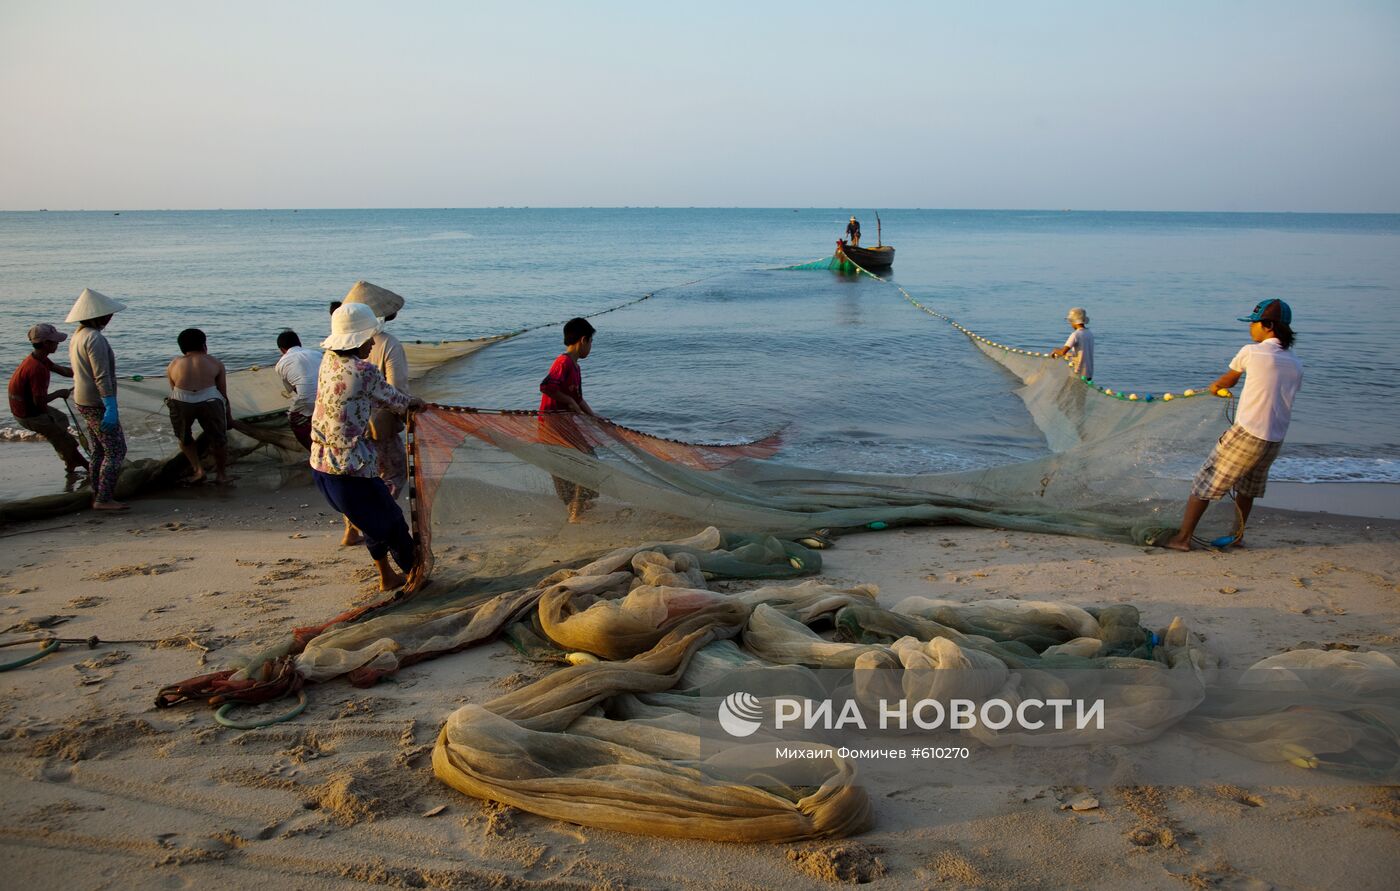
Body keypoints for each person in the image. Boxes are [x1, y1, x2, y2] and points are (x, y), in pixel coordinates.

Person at [1165, 299, 1302, 551]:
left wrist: (1214, 388)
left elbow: (1228, 380)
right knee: (1247, 488)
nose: (1251, 328)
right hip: (1274, 437)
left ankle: (1183, 539)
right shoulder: (1295, 362)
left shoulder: (1251, 351)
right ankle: (1237, 536)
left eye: (1254, 323)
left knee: (1205, 481)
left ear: (1268, 326)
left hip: (1248, 432)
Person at [311, 303, 425, 591]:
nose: (373, 342)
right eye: (369, 338)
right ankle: (417, 577)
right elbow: (398, 400)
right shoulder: (363, 370)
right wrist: (418, 404)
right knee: (392, 522)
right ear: (358, 340)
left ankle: (387, 577)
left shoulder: (328, 360)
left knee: (373, 521)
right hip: (349, 468)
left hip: (320, 462)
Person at [65, 288, 129, 511]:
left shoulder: (78, 335)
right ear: (97, 316)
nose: (110, 318)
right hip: (96, 402)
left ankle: (96, 490)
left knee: (98, 450)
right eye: (107, 315)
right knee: (116, 450)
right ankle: (103, 499)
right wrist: (110, 404)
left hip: (82, 399)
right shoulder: (94, 338)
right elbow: (100, 374)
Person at [539, 316, 598, 522]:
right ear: (583, 340)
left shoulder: (576, 367)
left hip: (565, 423)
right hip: (553, 424)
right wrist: (569, 403)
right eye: (591, 343)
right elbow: (547, 386)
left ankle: (577, 503)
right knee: (582, 460)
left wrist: (594, 416)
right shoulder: (563, 362)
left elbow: (578, 398)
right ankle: (574, 509)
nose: (590, 348)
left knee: (584, 459)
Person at [8, 323, 88, 475]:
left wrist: (85, 373)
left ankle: (69, 459)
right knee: (64, 439)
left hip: (26, 408)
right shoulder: (37, 369)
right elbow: (39, 402)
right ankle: (87, 466)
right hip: (29, 414)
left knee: (62, 419)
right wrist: (59, 393)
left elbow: (62, 370)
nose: (58, 343)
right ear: (46, 343)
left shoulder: (38, 358)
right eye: (55, 341)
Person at [166, 328, 233, 485]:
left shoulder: (174, 364)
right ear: (204, 345)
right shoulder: (215, 362)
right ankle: (221, 475)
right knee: (219, 439)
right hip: (209, 399)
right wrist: (228, 416)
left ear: (182, 347)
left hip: (181, 399)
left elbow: (173, 389)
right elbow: (223, 394)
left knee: (184, 437)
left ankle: (198, 469)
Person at [275, 330, 321, 450]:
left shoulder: (281, 364)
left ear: (281, 349)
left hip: (310, 401)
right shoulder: (317, 354)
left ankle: (313, 451)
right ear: (299, 343)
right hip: (330, 396)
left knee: (294, 418)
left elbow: (298, 391)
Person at [1050, 307, 1094, 380]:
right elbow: (1082, 352)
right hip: (1089, 373)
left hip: (1077, 372)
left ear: (1073, 321)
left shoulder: (1075, 334)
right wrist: (1069, 355)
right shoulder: (1089, 333)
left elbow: (1063, 352)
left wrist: (1055, 351)